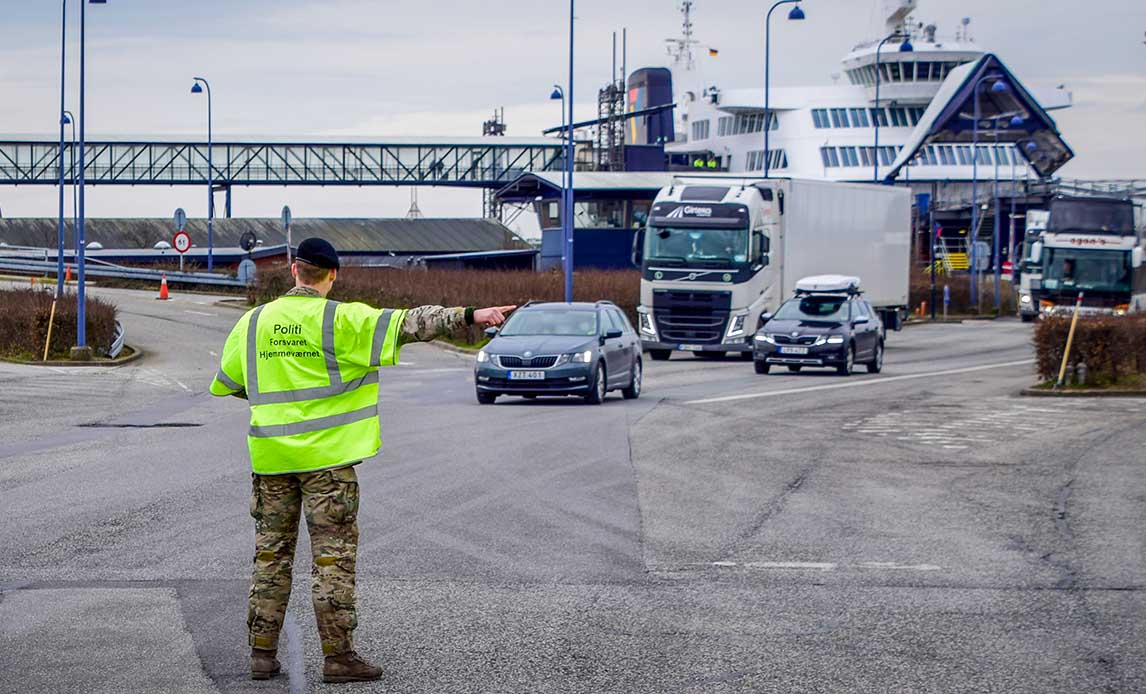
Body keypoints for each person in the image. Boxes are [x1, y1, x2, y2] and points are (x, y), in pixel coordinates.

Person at [210, 237, 514, 683]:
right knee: (331, 561)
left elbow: (229, 382)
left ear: (295, 270)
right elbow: (412, 323)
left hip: (271, 460)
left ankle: (261, 655)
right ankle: (338, 659)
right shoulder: (342, 319)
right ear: (332, 275)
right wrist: (472, 315)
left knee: (270, 558)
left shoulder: (253, 323)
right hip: (328, 464)